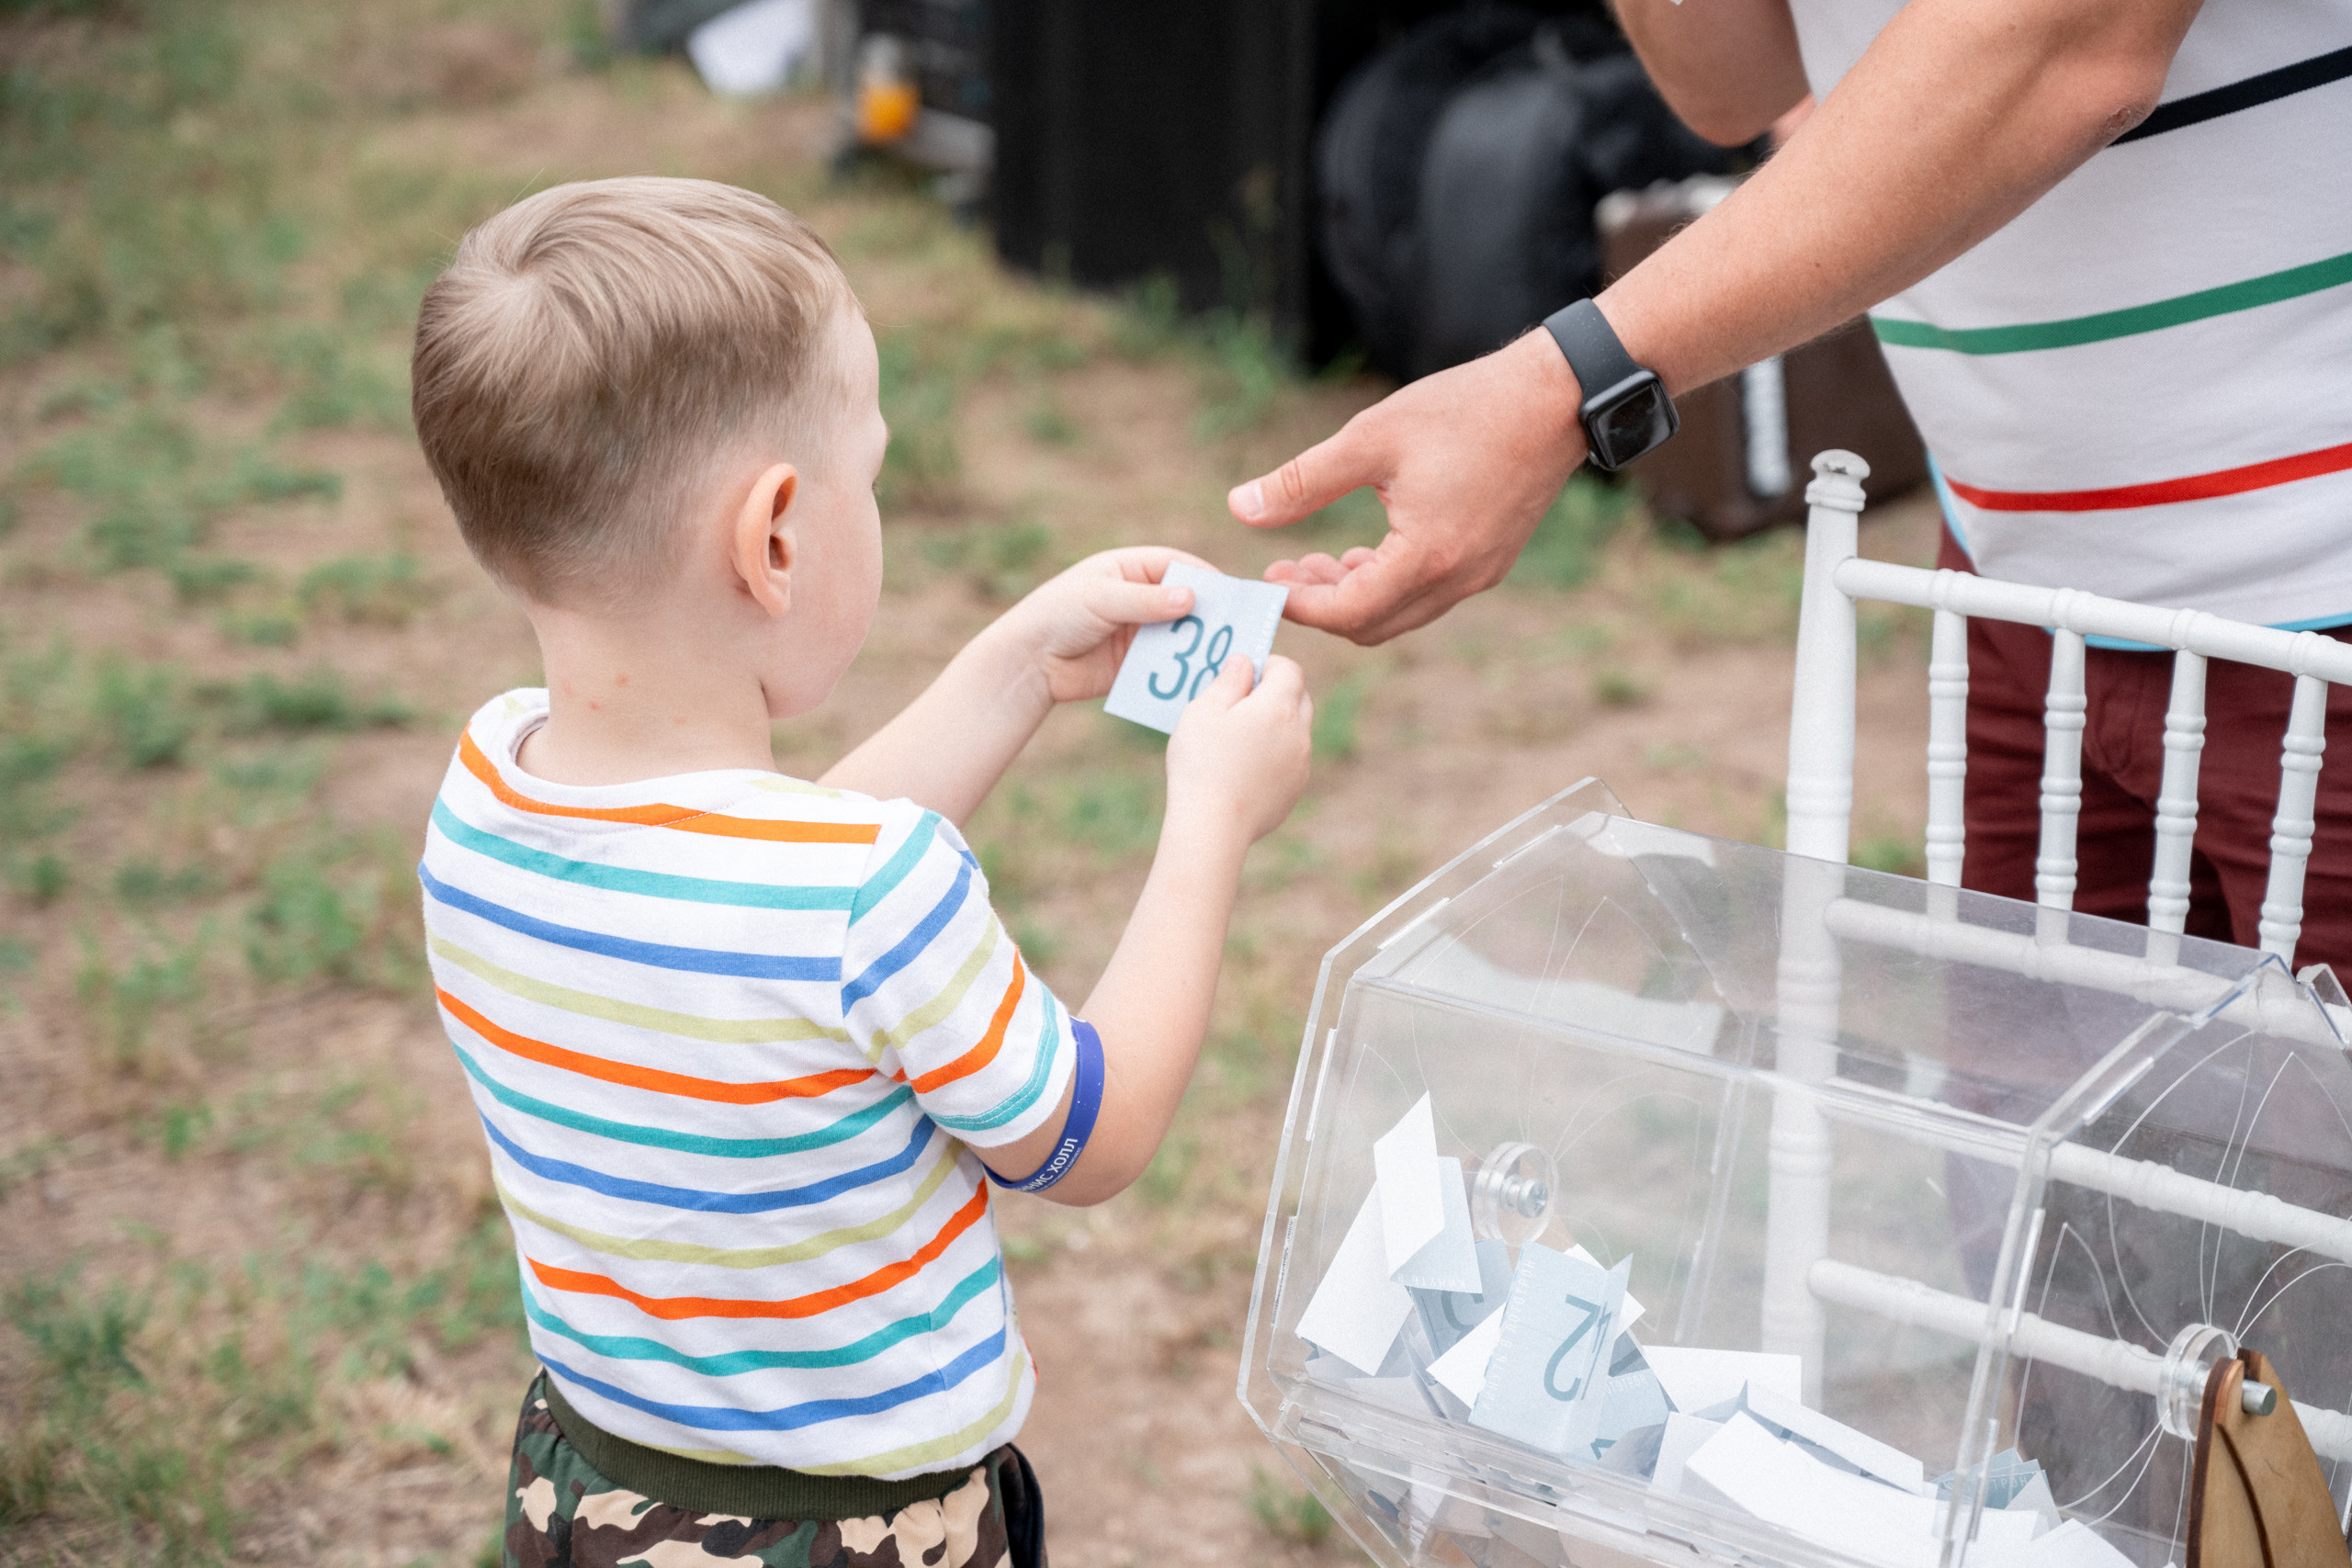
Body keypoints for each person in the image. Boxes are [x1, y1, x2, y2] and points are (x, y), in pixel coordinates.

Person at [408, 177, 1314, 1568]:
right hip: (861, 1539)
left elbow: (746, 883)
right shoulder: (868, 892)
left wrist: (1015, 667)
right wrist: (1211, 818)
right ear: (775, 537)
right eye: (871, 474)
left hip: (586, 1496)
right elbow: (1089, 1130)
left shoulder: (485, 793)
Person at [1230, 0, 2352, 967]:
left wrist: (1558, 387)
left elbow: (2070, 44)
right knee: (2050, 1201)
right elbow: (1734, 79)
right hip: (2018, 588)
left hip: (2318, 599)